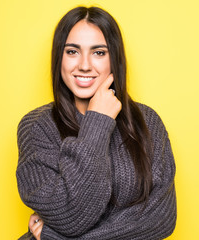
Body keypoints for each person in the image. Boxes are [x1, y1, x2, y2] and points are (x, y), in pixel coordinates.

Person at [16, 6, 176, 240]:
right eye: (72, 51)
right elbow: (71, 216)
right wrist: (98, 123)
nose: (84, 65)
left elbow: (161, 218)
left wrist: (56, 238)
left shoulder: (147, 121)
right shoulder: (37, 127)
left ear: (115, 59)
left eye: (99, 52)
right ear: (58, 57)